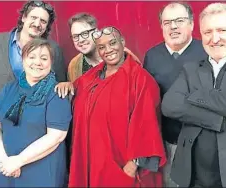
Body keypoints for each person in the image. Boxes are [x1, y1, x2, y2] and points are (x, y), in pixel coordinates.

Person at [162, 3, 226, 187]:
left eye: (222, 30)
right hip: (193, 175)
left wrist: (196, 96)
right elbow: (170, 105)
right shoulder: (190, 70)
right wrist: (219, 119)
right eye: (208, 32)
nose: (215, 38)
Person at [0, 1, 66, 187]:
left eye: (43, 21)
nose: (37, 23)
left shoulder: (54, 50)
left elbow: (59, 84)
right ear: (23, 17)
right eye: (33, 17)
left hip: (39, 145)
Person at [68, 26, 166, 187]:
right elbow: (74, 92)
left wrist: (134, 164)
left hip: (121, 166)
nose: (108, 50)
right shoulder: (90, 78)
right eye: (101, 47)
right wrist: (66, 85)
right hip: (92, 163)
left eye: (112, 43)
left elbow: (147, 125)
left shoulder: (140, 79)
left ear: (122, 42)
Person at [0, 38, 72, 187]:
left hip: (42, 173)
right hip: (7, 170)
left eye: (44, 58)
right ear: (23, 59)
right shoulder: (9, 89)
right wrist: (4, 161)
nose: (37, 62)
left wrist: (18, 161)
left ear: (51, 62)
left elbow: (56, 136)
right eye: (31, 57)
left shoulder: (57, 92)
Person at [143, 2, 207, 187]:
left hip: (201, 140)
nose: (173, 26)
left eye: (179, 20)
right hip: (167, 142)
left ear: (192, 24)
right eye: (167, 22)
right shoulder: (152, 56)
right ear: (161, 26)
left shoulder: (206, 51)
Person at [55, 13, 140, 97]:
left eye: (85, 34)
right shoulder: (74, 65)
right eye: (75, 36)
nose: (80, 40)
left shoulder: (121, 54)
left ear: (96, 33)